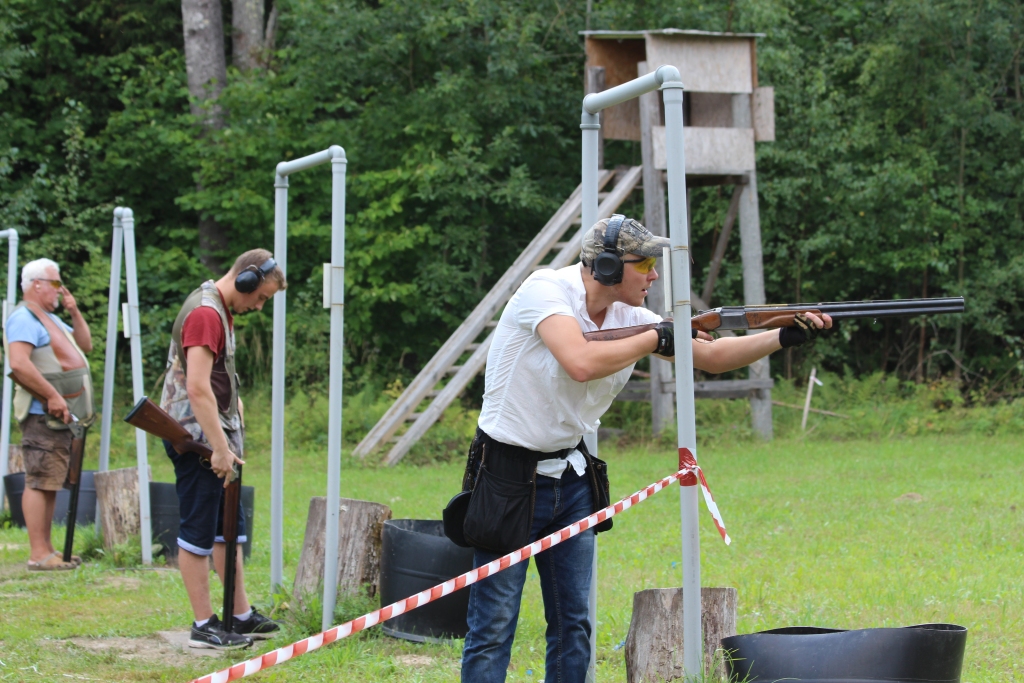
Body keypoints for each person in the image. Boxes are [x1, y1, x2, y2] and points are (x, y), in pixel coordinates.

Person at [457, 215, 832, 683]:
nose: (655, 274)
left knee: (574, 625)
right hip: (508, 476)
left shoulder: (631, 319)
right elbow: (579, 361)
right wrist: (657, 336)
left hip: (572, 477)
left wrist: (782, 334)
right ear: (609, 267)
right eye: (646, 263)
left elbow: (712, 357)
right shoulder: (546, 291)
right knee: (493, 627)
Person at [160, 249, 285, 650]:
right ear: (245, 280)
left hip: (213, 437)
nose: (259, 305)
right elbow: (197, 387)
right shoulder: (205, 314)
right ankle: (203, 625)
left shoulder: (218, 310)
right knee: (198, 531)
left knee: (226, 528)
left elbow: (214, 379)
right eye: (261, 297)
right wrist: (216, 448)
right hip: (198, 439)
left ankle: (239, 615)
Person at [5, 258, 95, 572]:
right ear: (36, 284)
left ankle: (48, 550)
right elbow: (18, 363)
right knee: (39, 480)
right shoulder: (24, 318)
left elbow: (85, 345)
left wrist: (73, 310)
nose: (60, 289)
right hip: (41, 414)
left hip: (59, 417)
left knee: (51, 481)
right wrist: (52, 395)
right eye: (55, 283)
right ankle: (37, 553)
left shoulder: (49, 319)